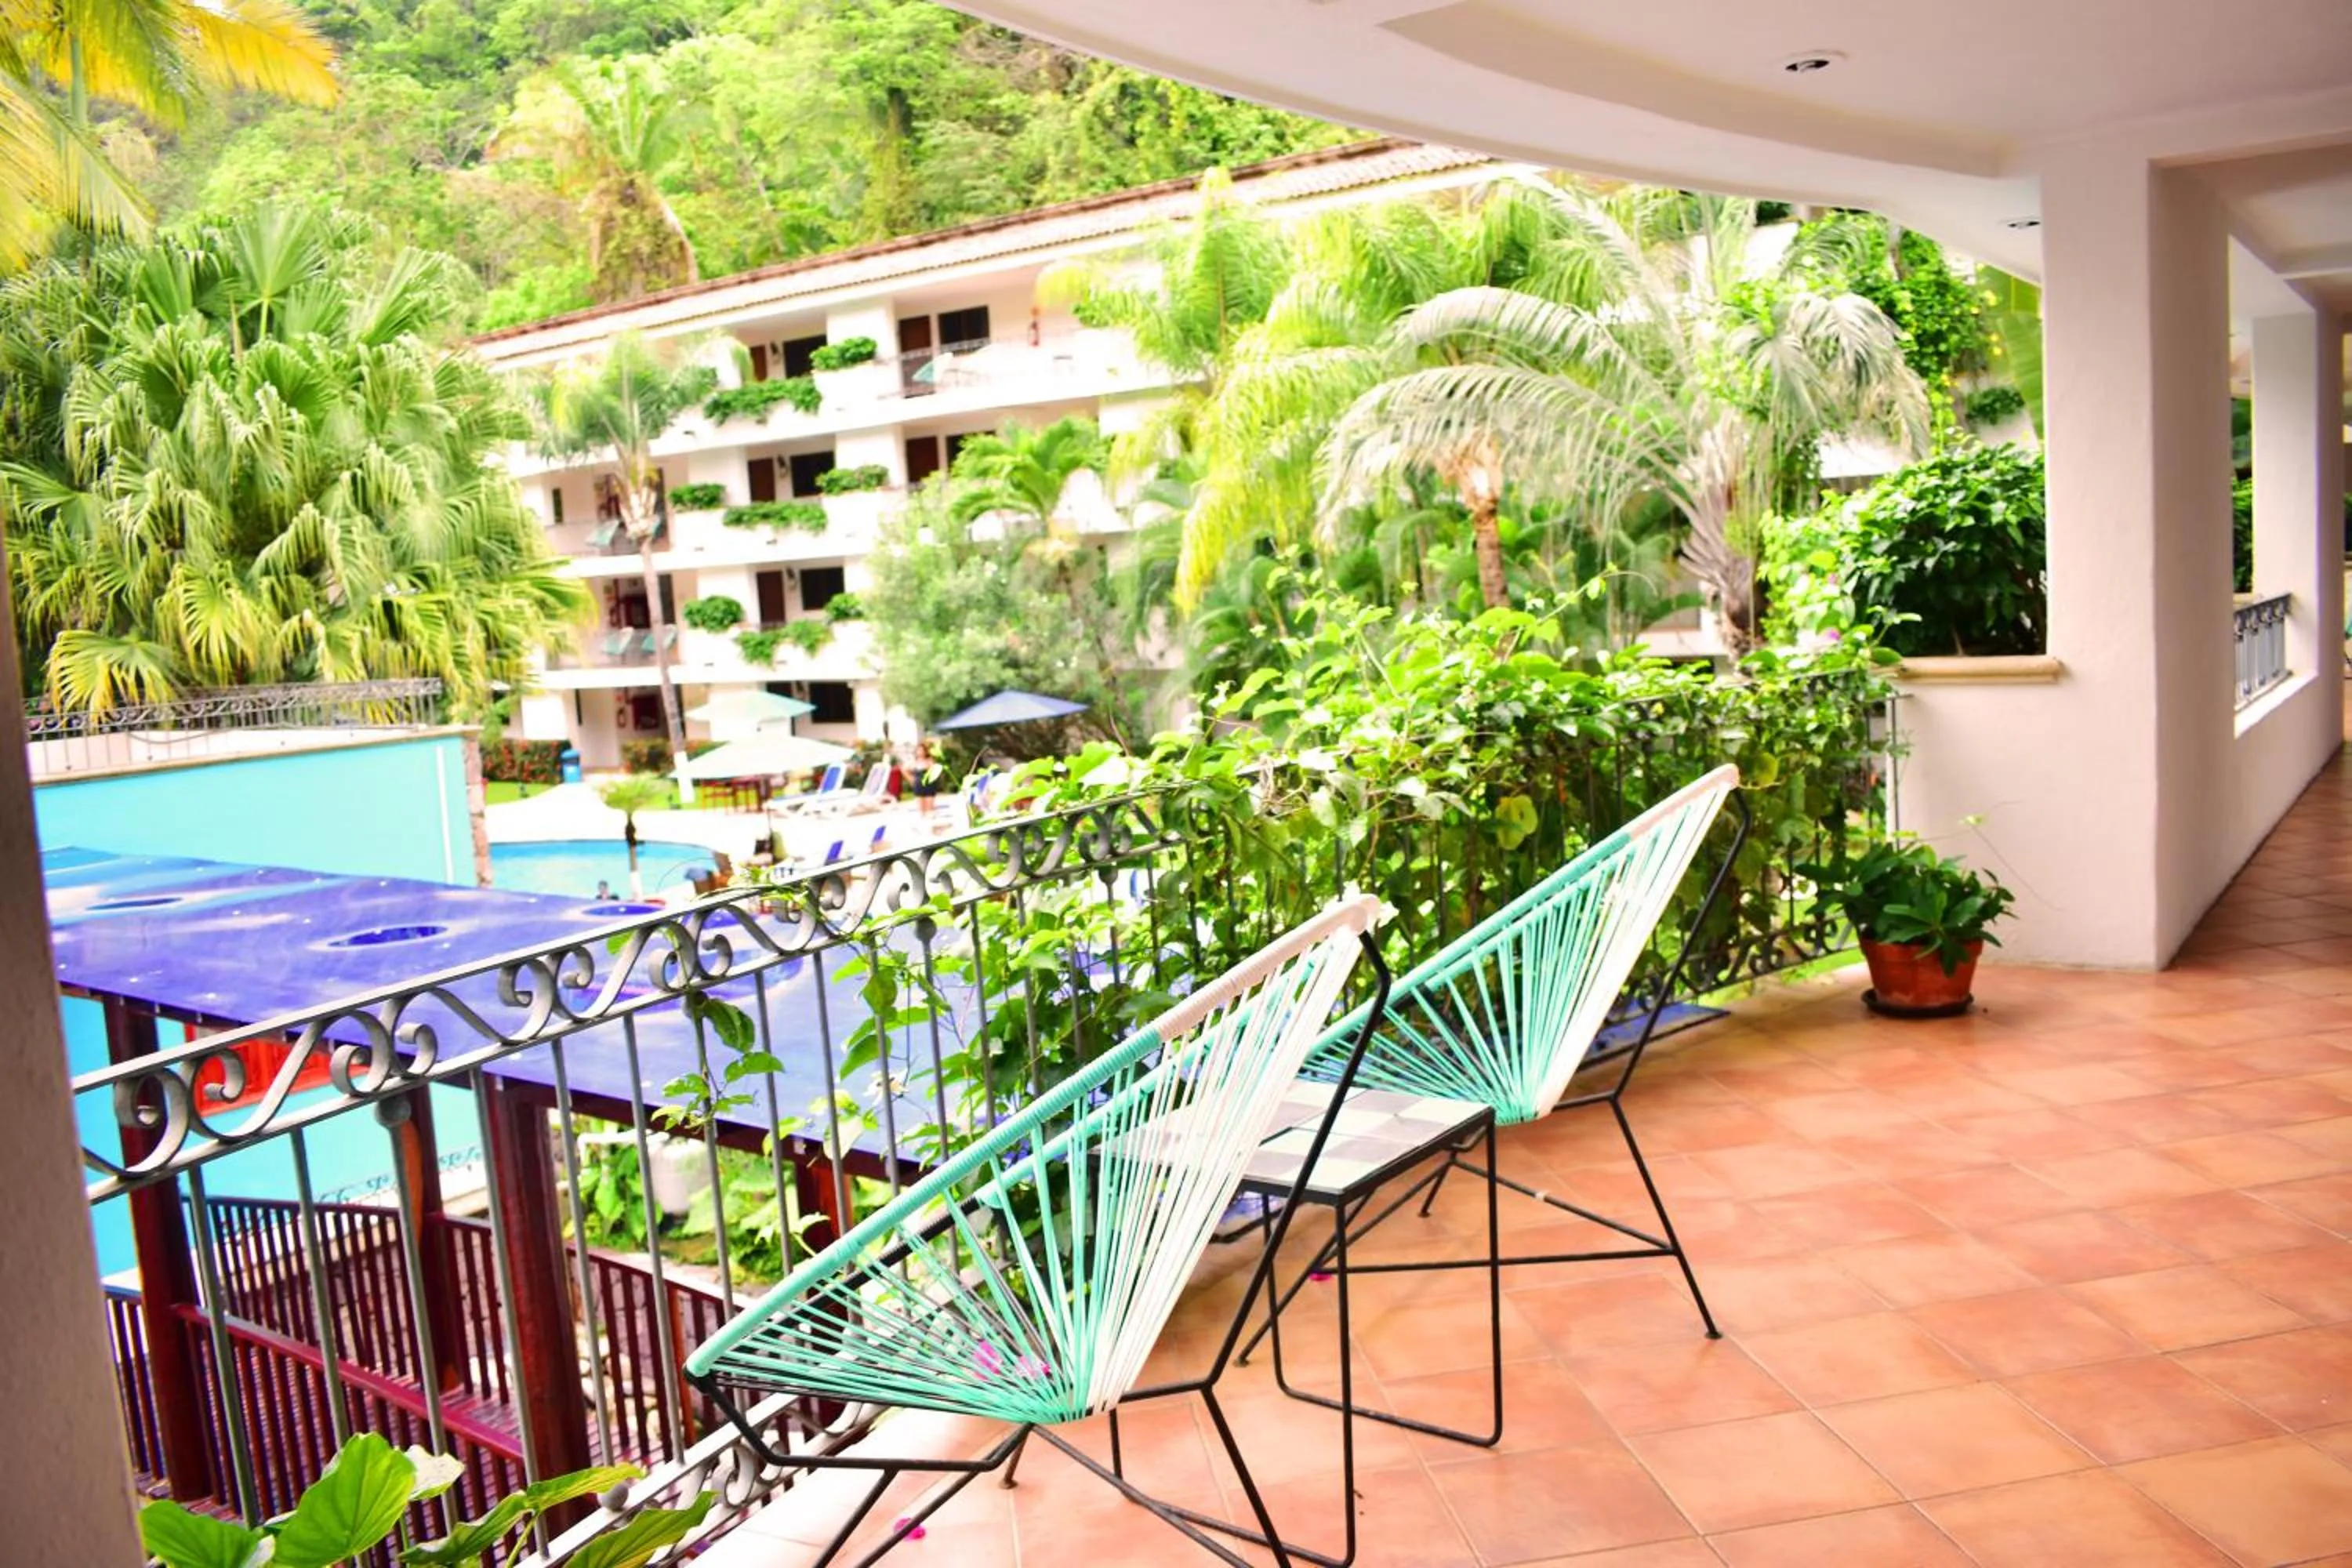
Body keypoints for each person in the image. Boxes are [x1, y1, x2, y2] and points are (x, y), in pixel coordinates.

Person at [908, 741, 946, 822]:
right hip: (918, 786)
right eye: (918, 750)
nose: (920, 752)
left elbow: (935, 771)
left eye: (922, 750)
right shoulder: (914, 762)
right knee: (921, 810)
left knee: (930, 809)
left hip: (929, 786)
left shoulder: (929, 761)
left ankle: (932, 822)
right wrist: (910, 778)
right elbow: (904, 769)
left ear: (925, 751)